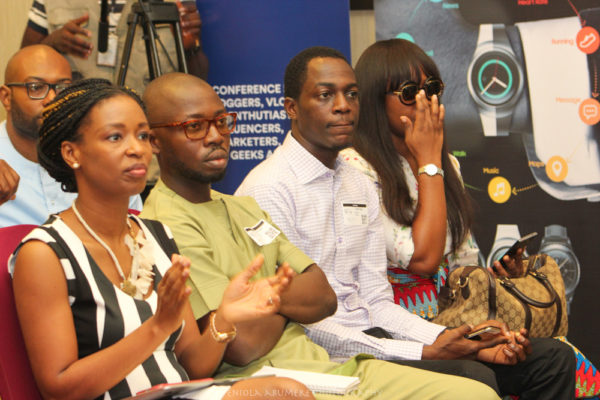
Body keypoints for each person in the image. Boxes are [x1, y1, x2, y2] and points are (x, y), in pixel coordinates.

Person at [235, 45, 576, 399]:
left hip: (382, 331)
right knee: (474, 378)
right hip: (326, 352)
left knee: (553, 359)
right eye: (325, 95)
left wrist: (450, 338)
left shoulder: (354, 180)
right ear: (291, 107)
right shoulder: (267, 190)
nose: (342, 106)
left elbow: (376, 301)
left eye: (351, 94)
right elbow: (304, 324)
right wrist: (428, 349)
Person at [140, 71, 503, 400]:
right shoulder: (165, 221)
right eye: (194, 127)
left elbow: (323, 296)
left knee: (477, 394)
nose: (216, 136)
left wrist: (266, 300)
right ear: (153, 141)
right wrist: (287, 300)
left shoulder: (241, 207)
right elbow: (241, 345)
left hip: (332, 369)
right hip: (266, 382)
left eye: (221, 122)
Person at [9, 78, 314, 400]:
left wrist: (225, 318)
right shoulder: (45, 253)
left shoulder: (154, 234)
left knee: (288, 391)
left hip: (176, 394)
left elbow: (194, 368)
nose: (136, 149)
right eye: (116, 137)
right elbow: (60, 389)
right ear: (72, 153)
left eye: (142, 135)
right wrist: (156, 328)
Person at [342, 38, 598, 399]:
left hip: (456, 317)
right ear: (373, 101)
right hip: (399, 332)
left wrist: (495, 280)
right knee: (474, 378)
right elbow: (423, 259)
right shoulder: (357, 169)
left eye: (432, 89)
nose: (424, 102)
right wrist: (428, 163)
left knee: (560, 357)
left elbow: (462, 259)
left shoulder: (450, 165)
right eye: (408, 92)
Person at [0, 44, 141, 227]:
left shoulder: (98, 153)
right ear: (6, 98)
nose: (51, 99)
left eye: (61, 88)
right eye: (36, 87)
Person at [21, 0, 209, 93]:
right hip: (76, 148)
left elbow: (197, 82)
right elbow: (23, 69)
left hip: (150, 150)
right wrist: (51, 44)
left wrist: (191, 48)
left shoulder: (175, 1)